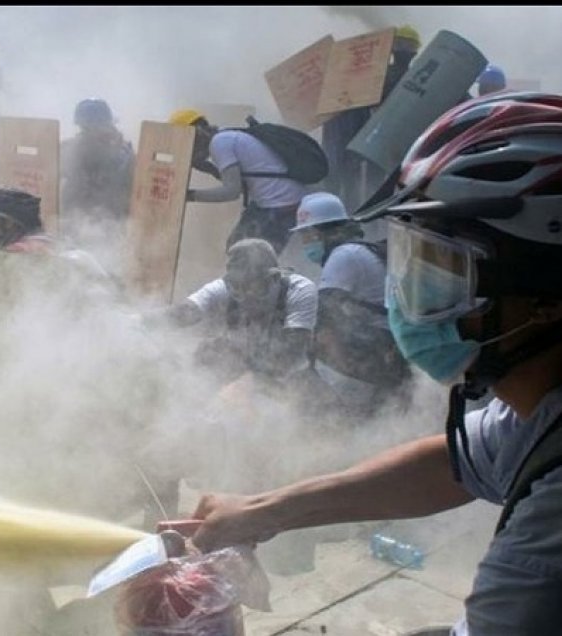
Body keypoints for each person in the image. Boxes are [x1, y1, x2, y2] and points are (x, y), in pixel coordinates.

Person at [191, 91, 562, 635]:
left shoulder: (549, 534)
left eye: (442, 269)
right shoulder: (542, 413)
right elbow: (454, 465)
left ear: (545, 296)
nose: (408, 296)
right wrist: (262, 510)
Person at [291, 191, 410, 416]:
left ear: (326, 232)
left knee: (309, 345)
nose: (305, 244)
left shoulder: (344, 255)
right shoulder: (354, 250)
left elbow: (321, 313)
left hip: (382, 347)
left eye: (308, 235)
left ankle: (337, 411)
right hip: (388, 343)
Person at [163, 238, 317, 389]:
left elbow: (294, 350)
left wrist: (250, 381)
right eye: (237, 287)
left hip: (291, 378)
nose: (243, 295)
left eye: (251, 286)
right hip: (241, 369)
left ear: (274, 278)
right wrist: (140, 322)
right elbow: (184, 312)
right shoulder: (223, 287)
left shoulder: (299, 290)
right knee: (209, 351)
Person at [168, 109, 307, 257]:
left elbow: (231, 191)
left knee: (250, 258)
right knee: (237, 247)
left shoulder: (220, 143)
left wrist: (189, 195)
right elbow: (240, 185)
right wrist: (208, 167)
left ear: (198, 132)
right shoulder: (225, 136)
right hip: (274, 202)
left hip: (281, 204)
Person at [321, 24, 422, 212]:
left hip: (378, 136)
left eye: (407, 46)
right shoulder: (407, 76)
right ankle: (367, 215)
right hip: (376, 135)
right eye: (401, 44)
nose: (404, 50)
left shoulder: (380, 74)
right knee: (368, 179)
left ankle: (366, 215)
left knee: (366, 179)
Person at [60, 98, 135, 246]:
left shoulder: (121, 151)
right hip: (78, 220)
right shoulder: (72, 148)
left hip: (108, 223)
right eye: (84, 128)